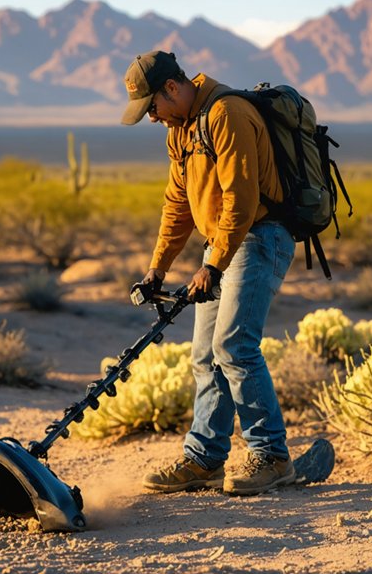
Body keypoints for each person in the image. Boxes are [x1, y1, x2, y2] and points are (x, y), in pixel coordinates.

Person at [120, 51, 297, 496]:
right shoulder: (180, 131)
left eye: (152, 108)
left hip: (259, 236)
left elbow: (240, 198)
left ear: (173, 88)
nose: (152, 119)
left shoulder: (227, 114)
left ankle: (272, 457)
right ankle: (203, 461)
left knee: (234, 345)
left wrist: (212, 264)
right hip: (222, 244)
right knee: (205, 356)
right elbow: (177, 204)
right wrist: (157, 268)